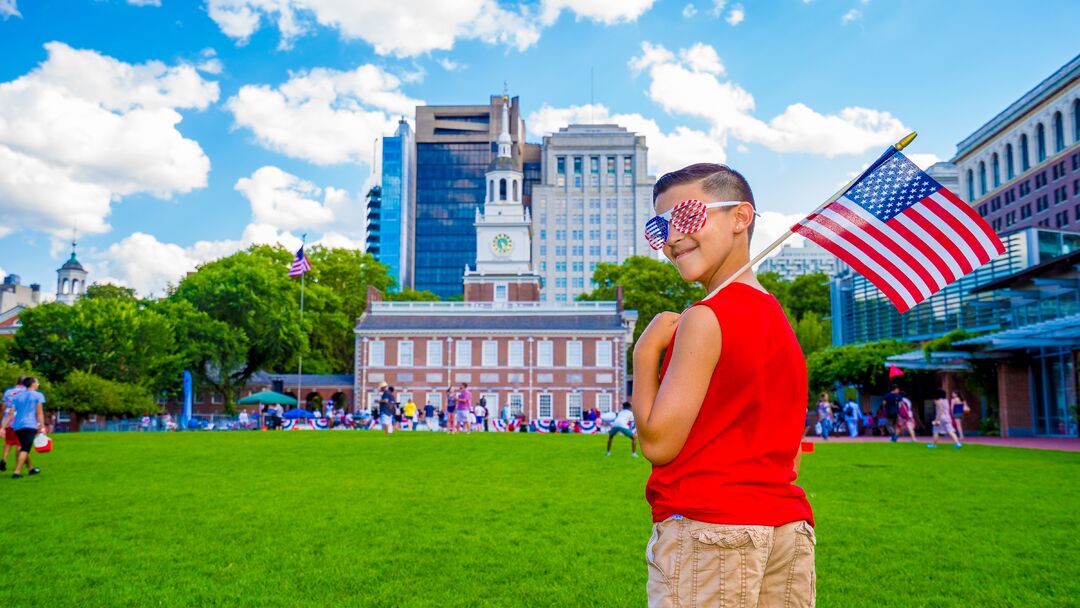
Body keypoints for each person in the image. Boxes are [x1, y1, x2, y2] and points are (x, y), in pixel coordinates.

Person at [631, 164, 815, 606]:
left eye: (688, 216)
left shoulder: (704, 317)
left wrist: (643, 353)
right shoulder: (779, 320)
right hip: (787, 529)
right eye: (661, 226)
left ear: (740, 217)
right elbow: (790, 451)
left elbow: (657, 443)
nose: (673, 238)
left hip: (707, 529)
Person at [7, 377, 45, 478]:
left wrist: (3, 426)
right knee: (25, 448)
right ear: (32, 383)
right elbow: (39, 412)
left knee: (24, 446)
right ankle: (16, 472)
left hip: (17, 426)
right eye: (37, 382)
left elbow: (11, 412)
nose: (38, 384)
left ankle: (31, 469)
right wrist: (42, 426)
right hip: (30, 424)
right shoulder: (38, 395)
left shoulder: (17, 396)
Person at [1, 375, 27, 472]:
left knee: (8, 442)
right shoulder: (27, 392)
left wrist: (2, 420)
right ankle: (17, 467)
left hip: (8, 420)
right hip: (20, 421)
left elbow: (3, 406)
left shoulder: (8, 392)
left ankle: (4, 459)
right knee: (20, 444)